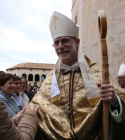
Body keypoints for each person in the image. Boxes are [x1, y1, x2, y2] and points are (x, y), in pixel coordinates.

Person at [31, 11, 125, 140]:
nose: (60, 46)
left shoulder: (97, 72)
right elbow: (36, 106)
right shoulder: (51, 77)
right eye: (56, 43)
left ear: (77, 42)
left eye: (65, 41)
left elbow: (121, 100)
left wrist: (114, 101)